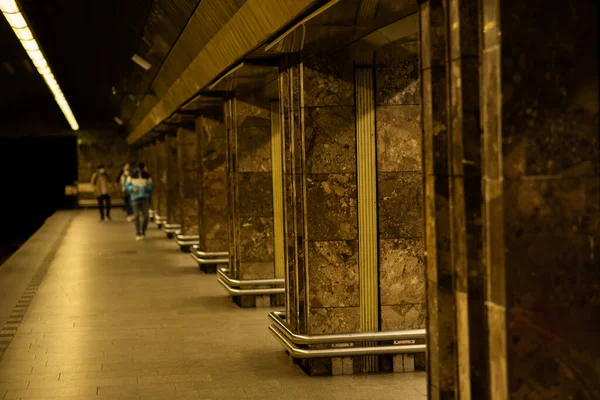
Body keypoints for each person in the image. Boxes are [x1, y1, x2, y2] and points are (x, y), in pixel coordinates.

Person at [126, 162, 154, 240]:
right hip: (135, 198)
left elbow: (151, 185)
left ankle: (143, 231)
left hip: (145, 198)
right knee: (137, 216)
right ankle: (138, 232)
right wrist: (132, 189)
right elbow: (127, 185)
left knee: (146, 216)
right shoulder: (132, 175)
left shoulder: (147, 176)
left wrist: (147, 188)